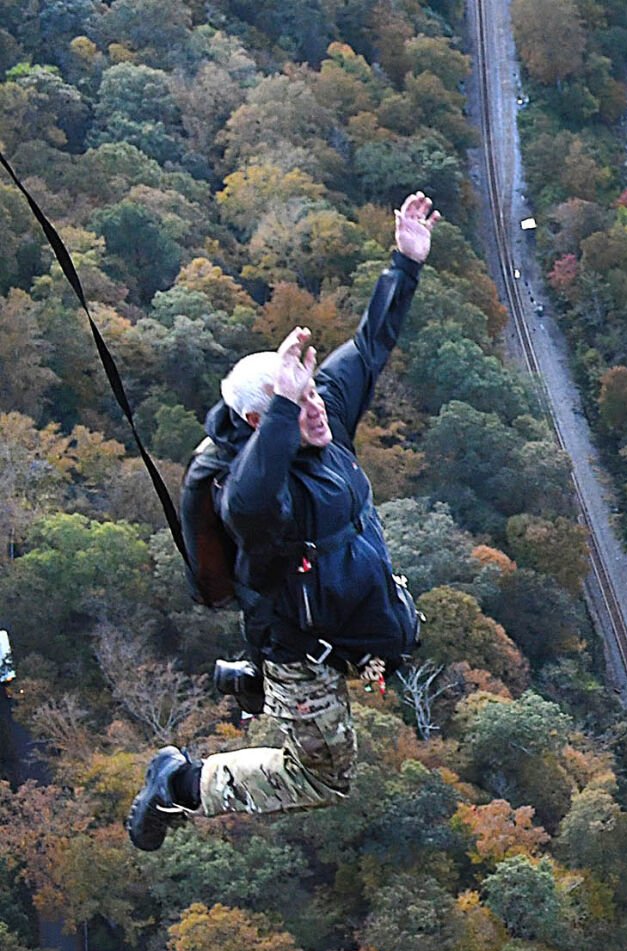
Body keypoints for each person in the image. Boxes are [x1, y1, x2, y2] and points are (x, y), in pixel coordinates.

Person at [127, 192, 441, 851]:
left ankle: (247, 683)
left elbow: (370, 344)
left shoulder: (321, 413)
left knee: (406, 639)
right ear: (260, 423)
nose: (318, 413)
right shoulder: (256, 494)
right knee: (323, 776)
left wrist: (404, 263)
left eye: (311, 396)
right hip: (303, 650)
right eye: (298, 407)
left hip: (349, 607)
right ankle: (180, 783)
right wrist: (283, 413)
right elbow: (245, 501)